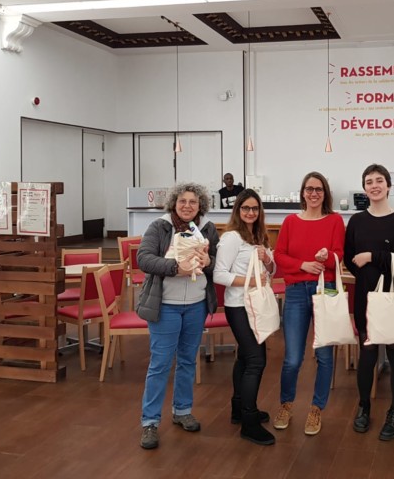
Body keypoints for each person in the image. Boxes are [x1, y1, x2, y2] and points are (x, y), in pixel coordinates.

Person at [135, 183, 219, 450]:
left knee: (187, 361)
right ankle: (150, 422)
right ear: (174, 203)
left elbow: (217, 261)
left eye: (193, 202)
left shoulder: (207, 228)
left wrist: (209, 263)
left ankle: (182, 410)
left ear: (200, 205)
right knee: (160, 364)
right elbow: (144, 258)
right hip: (166, 306)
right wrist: (175, 267)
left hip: (196, 305)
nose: (187, 206)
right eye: (182, 201)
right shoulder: (159, 227)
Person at [273, 171, 345, 436]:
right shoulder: (290, 221)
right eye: (309, 189)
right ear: (302, 192)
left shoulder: (335, 221)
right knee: (292, 358)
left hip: (324, 289)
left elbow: (339, 256)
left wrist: (326, 258)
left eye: (319, 189)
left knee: (324, 356)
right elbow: (279, 255)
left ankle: (317, 408)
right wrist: (302, 264)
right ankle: (286, 404)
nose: (314, 193)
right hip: (294, 292)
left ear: (325, 193)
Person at [344, 164, 394, 441]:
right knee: (368, 351)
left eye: (379, 181)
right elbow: (350, 257)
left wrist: (372, 256)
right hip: (365, 294)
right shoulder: (357, 221)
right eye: (369, 182)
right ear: (365, 188)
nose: (374, 186)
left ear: (388, 186)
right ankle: (364, 406)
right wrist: (366, 267)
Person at [213, 189, 276, 446]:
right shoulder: (231, 238)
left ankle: (239, 409)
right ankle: (249, 422)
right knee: (256, 361)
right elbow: (219, 275)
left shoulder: (258, 236)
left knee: (244, 358)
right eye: (245, 208)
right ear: (237, 210)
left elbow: (271, 271)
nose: (251, 212)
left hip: (255, 306)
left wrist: (267, 260)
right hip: (238, 306)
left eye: (255, 208)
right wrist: (250, 280)